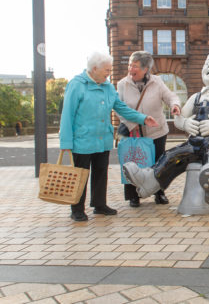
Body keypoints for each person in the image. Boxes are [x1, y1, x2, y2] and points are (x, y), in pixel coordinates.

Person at [123, 49, 209, 205]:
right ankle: (148, 180)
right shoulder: (196, 97)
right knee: (171, 156)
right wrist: (185, 123)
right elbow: (180, 117)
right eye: (207, 63)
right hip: (193, 143)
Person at [59, 52, 158, 222]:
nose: (109, 73)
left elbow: (122, 108)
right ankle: (76, 209)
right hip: (82, 140)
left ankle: (99, 205)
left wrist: (143, 118)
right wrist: (66, 142)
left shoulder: (108, 87)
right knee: (81, 175)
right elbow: (67, 115)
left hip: (102, 140)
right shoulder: (77, 85)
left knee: (100, 173)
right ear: (94, 68)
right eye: (106, 70)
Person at [116, 51, 181, 207]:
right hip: (132, 132)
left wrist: (175, 105)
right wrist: (133, 126)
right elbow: (119, 108)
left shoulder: (157, 82)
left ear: (146, 69)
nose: (130, 68)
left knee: (158, 164)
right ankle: (133, 196)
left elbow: (170, 96)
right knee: (132, 162)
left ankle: (159, 193)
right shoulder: (122, 84)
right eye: (130, 64)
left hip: (156, 132)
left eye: (135, 65)